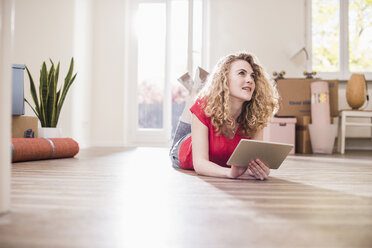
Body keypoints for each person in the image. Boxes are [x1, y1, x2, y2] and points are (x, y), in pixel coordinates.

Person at [170, 52, 279, 180]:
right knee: (197, 102)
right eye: (242, 73)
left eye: (252, 76)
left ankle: (197, 89)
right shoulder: (204, 106)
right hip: (184, 152)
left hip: (210, 144)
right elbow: (200, 164)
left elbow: (252, 162)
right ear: (224, 79)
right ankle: (194, 92)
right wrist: (229, 173)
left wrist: (259, 169)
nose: (250, 80)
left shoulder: (255, 116)